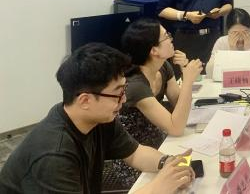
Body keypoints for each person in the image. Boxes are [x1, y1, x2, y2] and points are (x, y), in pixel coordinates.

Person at [0, 43, 195, 194]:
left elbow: (135, 153)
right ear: (85, 100)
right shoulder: (54, 156)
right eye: (118, 93)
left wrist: (167, 163)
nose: (124, 99)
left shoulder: (98, 118)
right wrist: (157, 188)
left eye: (124, 89)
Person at [108, 18, 203, 186]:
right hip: (137, 158)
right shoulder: (135, 85)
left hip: (160, 145)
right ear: (154, 50)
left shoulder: (163, 67)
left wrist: (184, 71)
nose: (171, 39)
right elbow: (176, 127)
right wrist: (188, 81)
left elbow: (179, 106)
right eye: (166, 36)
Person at [206, 8, 250, 78]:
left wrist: (249, 50)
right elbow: (209, 72)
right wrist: (232, 52)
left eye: (245, 32)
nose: (240, 38)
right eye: (235, 33)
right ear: (228, 31)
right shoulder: (221, 42)